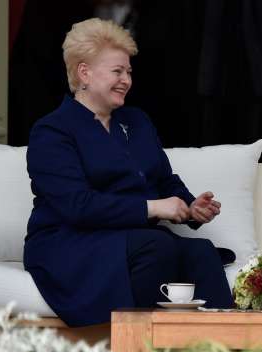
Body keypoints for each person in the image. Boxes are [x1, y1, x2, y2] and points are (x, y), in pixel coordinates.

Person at [24, 18, 234, 327]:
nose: (126, 80)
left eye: (129, 72)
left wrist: (191, 207)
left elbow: (164, 179)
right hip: (70, 242)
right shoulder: (53, 131)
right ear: (84, 73)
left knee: (201, 252)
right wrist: (152, 207)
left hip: (130, 238)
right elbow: (78, 206)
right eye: (117, 71)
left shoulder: (136, 121)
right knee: (158, 246)